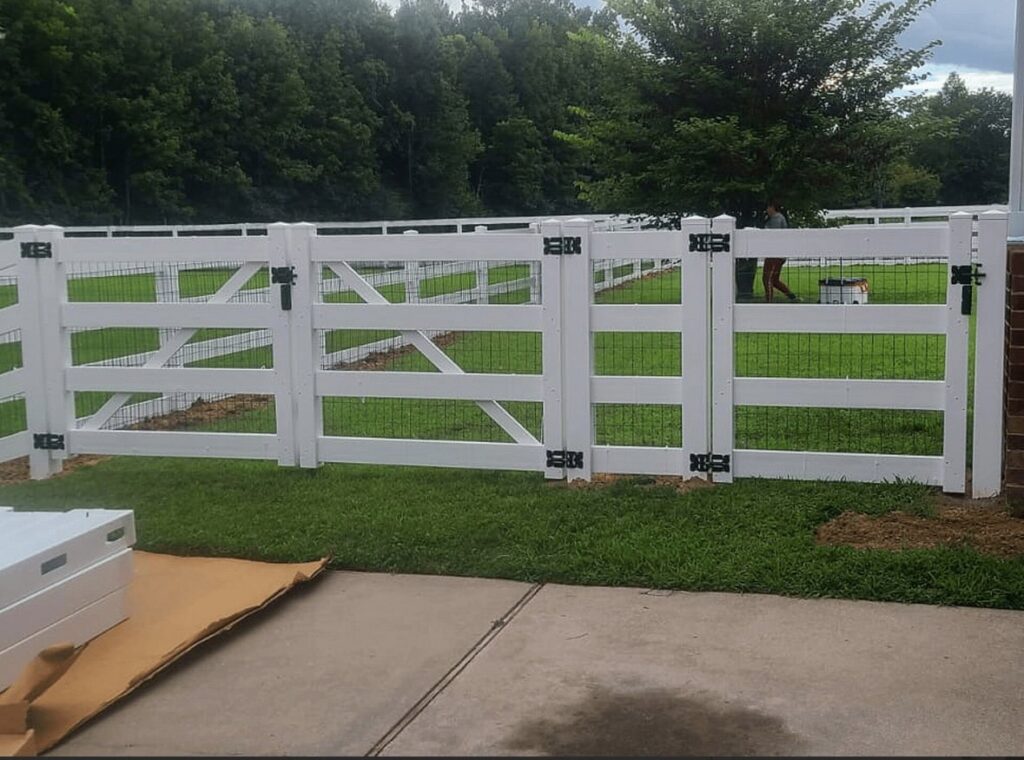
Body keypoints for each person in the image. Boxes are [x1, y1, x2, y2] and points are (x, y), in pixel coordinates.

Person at [762, 199, 799, 303]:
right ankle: (792, 296)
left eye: (768, 207)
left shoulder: (776, 219)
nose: (767, 210)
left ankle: (769, 301)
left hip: (774, 254)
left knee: (767, 278)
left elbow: (772, 235)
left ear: (772, 207)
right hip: (778, 254)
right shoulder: (779, 218)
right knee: (774, 280)